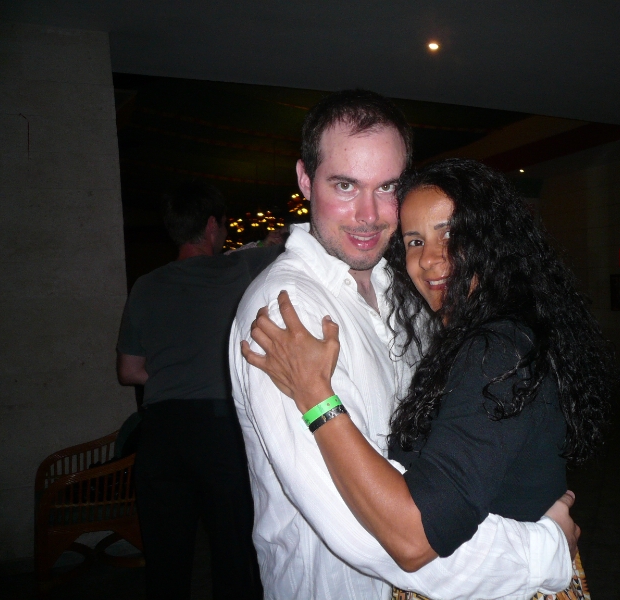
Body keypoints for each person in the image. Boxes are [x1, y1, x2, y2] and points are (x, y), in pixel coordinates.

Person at [229, 90, 580, 600]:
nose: (369, 215)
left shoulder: (408, 295)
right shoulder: (287, 314)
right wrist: (542, 551)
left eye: (388, 187)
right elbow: (380, 536)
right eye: (345, 185)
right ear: (305, 179)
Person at [116, 181, 280, 600]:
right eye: (223, 226)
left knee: (166, 561)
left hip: (161, 433)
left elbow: (129, 371)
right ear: (211, 226)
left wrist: (173, 375)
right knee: (234, 553)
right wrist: (272, 238)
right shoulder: (239, 268)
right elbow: (285, 244)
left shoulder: (145, 286)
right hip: (220, 432)